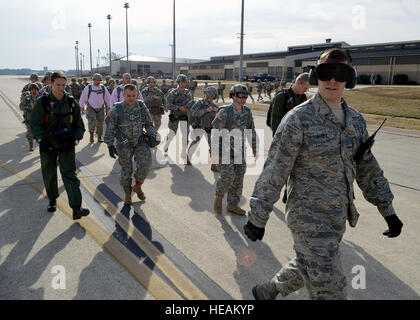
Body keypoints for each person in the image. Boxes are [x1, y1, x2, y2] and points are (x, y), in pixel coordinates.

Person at [244, 48, 403, 300]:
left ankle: (268, 290)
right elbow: (276, 169)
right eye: (326, 73)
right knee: (331, 289)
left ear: (349, 80)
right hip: (307, 217)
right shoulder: (298, 119)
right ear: (315, 76)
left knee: (307, 264)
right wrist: (258, 216)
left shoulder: (355, 120)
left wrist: (388, 209)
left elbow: (367, 168)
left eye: (340, 75)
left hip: (337, 216)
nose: (332, 81)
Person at [30, 71, 89, 220]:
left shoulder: (70, 102)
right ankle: (52, 199)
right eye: (58, 85)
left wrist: (76, 138)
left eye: (64, 85)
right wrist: (41, 141)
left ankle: (76, 208)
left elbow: (79, 125)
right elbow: (35, 124)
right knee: (49, 173)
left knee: (70, 174)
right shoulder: (42, 102)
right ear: (51, 84)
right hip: (48, 144)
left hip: (66, 144)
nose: (61, 88)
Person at [104, 84, 157, 205]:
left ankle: (138, 186)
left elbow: (149, 123)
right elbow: (110, 128)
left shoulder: (141, 106)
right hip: (124, 143)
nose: (132, 98)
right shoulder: (117, 109)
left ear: (137, 95)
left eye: (134, 95)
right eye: (128, 96)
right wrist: (110, 144)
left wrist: (153, 134)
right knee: (126, 170)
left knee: (146, 165)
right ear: (123, 95)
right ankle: (128, 194)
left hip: (139, 140)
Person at [211, 84, 257, 215]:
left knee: (238, 178)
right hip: (224, 150)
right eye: (239, 95)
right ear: (232, 96)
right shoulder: (225, 112)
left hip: (239, 150)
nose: (242, 98)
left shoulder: (247, 112)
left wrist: (254, 148)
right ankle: (219, 197)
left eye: (245, 96)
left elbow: (251, 131)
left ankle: (232, 204)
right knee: (228, 176)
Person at [187, 86, 219, 171]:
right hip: (199, 127)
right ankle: (188, 157)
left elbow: (219, 117)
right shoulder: (199, 103)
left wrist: (217, 112)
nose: (211, 99)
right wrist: (206, 110)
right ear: (206, 95)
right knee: (195, 143)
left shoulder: (214, 105)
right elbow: (194, 113)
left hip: (209, 127)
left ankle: (214, 164)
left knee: (213, 145)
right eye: (210, 98)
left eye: (213, 98)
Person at [163, 74, 193, 160]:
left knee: (185, 135)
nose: (183, 84)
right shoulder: (173, 93)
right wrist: (178, 107)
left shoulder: (187, 93)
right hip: (174, 115)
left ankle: (184, 151)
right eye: (181, 82)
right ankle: (167, 144)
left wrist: (186, 108)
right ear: (178, 83)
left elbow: (190, 102)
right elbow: (168, 104)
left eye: (184, 82)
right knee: (172, 133)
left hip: (184, 115)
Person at [79, 73, 111, 143]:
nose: (98, 81)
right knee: (92, 122)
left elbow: (108, 98)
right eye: (97, 80)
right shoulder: (89, 87)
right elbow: (83, 97)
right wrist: (81, 106)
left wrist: (110, 106)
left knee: (100, 123)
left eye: (99, 80)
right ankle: (91, 136)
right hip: (91, 108)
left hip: (101, 108)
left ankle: (99, 137)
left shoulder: (102, 88)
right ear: (93, 80)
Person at [20, 83, 39, 151]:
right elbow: (21, 106)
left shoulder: (40, 98)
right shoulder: (26, 98)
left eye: (35, 89)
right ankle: (31, 145)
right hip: (29, 119)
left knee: (39, 133)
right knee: (30, 133)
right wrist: (27, 108)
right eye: (32, 89)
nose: (34, 91)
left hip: (38, 119)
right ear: (30, 90)